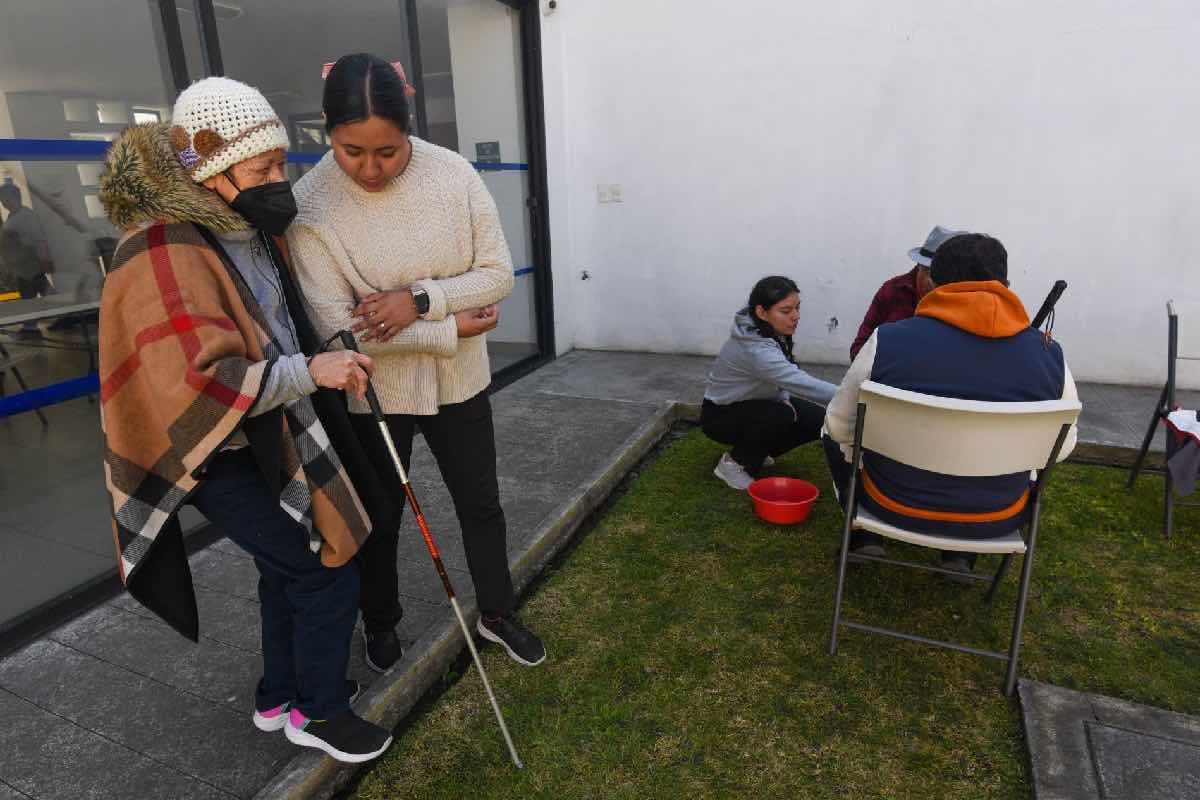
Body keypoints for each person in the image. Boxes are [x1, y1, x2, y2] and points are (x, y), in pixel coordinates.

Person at [97, 77, 398, 763]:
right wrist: (311, 372)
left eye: (280, 163)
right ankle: (320, 713)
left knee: (283, 572)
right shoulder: (161, 250)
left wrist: (328, 350)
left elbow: (279, 328)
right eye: (262, 169)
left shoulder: (245, 231)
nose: (277, 181)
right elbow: (199, 385)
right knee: (325, 570)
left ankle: (280, 695)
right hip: (213, 452)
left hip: (269, 434)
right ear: (209, 168)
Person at [289, 53, 545, 672]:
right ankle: (380, 621)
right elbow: (336, 332)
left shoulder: (452, 173)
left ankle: (497, 613)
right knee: (380, 515)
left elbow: (496, 275)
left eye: (388, 151)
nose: (370, 168)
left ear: (408, 130)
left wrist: (418, 301)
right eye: (352, 151)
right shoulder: (311, 204)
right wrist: (448, 326)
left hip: (462, 381)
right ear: (328, 132)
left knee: (480, 503)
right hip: (373, 391)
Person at [822, 233, 1078, 577]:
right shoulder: (1051, 357)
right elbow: (1061, 447)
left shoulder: (888, 341)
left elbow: (839, 425)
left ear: (934, 284)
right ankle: (960, 554)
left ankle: (863, 533)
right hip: (996, 515)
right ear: (1005, 286)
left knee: (830, 432)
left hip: (891, 503)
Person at [702, 276, 838, 491]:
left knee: (819, 420)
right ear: (761, 312)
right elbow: (800, 383)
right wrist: (852, 396)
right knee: (781, 414)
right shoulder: (755, 350)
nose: (796, 316)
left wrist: (784, 400)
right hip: (719, 415)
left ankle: (756, 451)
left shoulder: (766, 329)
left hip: (754, 403)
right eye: (786, 311)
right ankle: (732, 465)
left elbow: (783, 380)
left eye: (797, 308)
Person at [849, 225, 962, 360]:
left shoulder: (963, 301)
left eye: (937, 274)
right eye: (925, 270)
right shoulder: (892, 290)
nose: (929, 281)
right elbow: (860, 347)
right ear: (918, 266)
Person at [0, 183, 53, 300]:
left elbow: (39, 240)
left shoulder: (26, 216)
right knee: (38, 295)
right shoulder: (11, 217)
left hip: (29, 269)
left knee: (39, 296)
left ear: (12, 197)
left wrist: (45, 260)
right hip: (20, 270)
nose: (2, 202)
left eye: (3, 197)